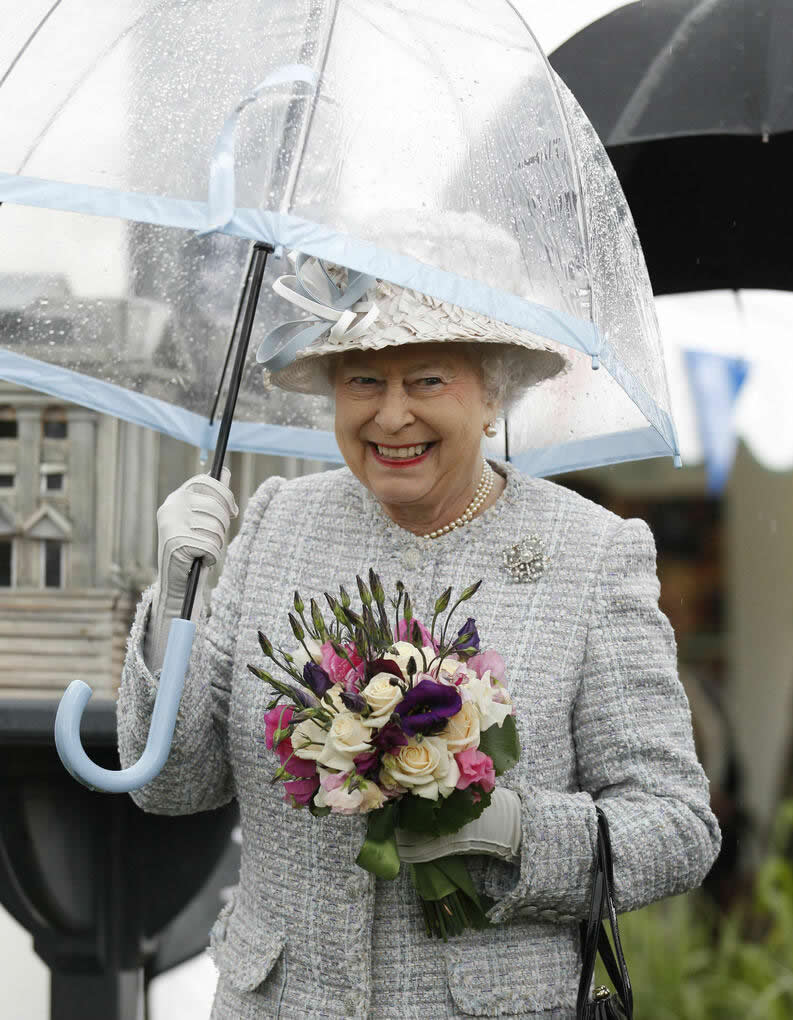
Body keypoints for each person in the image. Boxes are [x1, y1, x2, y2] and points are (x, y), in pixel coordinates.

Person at [118, 256, 721, 1020]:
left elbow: (675, 828)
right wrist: (178, 596)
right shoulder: (275, 523)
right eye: (363, 380)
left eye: (428, 380)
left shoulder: (590, 552)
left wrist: (510, 831)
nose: (391, 415)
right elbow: (168, 786)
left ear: (493, 393)